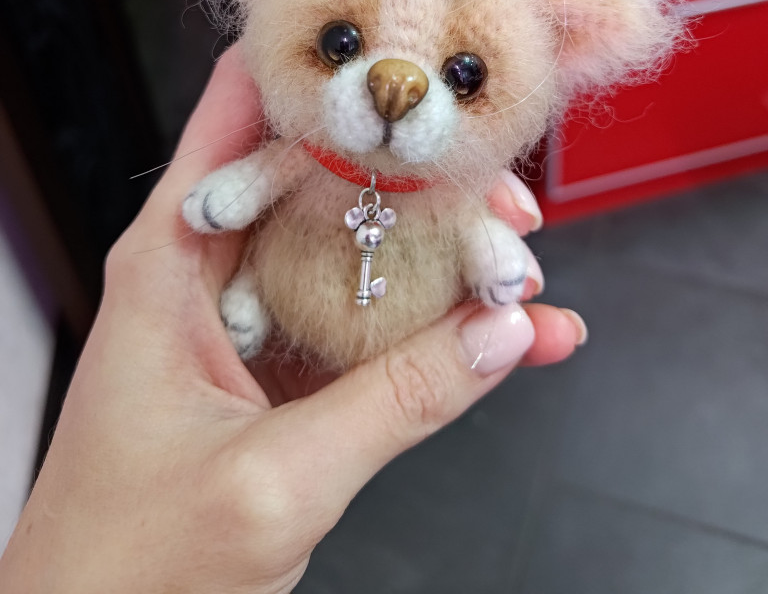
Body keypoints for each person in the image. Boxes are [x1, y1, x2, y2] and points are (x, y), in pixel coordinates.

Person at [0, 45, 586, 593]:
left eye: (464, 75)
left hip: (398, 315)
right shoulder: (308, 153)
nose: (395, 87)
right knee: (263, 255)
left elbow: (476, 225)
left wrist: (496, 255)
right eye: (342, 43)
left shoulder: (451, 188)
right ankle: (254, 293)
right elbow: (259, 180)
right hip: (287, 293)